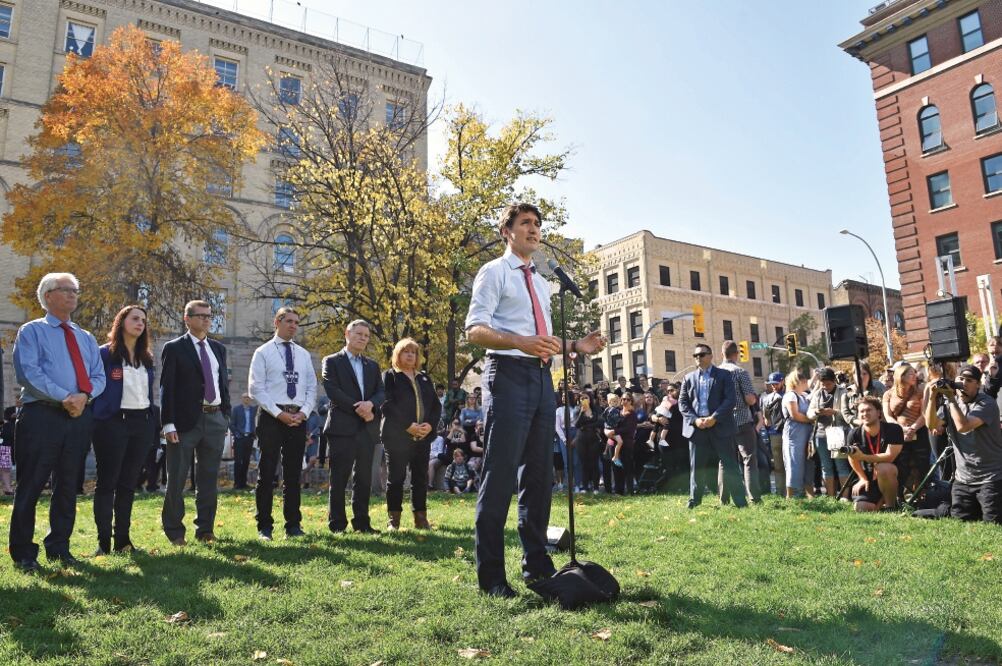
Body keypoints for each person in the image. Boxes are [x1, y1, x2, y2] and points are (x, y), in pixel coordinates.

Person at [464, 202, 604, 598]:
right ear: (506, 231)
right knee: (501, 474)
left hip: (543, 380)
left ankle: (537, 566)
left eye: (537, 224)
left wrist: (577, 345)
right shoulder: (494, 272)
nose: (534, 229)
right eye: (525, 223)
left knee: (540, 476)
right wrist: (519, 342)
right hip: (507, 375)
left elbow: (543, 338)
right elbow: (474, 330)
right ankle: (492, 578)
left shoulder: (542, 282)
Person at [8, 273, 105, 571]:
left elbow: (99, 377)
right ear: (48, 295)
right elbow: (29, 373)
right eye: (66, 290)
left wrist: (83, 397)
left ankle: (59, 547)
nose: (74, 295)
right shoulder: (32, 331)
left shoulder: (85, 337)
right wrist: (66, 396)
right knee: (32, 484)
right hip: (42, 416)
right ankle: (24, 553)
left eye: (75, 290)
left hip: (78, 418)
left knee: (67, 486)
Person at [159, 300, 230, 546]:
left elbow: (222, 384)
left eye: (209, 316)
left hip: (215, 419)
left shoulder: (218, 349)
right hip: (184, 422)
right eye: (200, 316)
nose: (206, 320)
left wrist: (226, 415)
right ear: (187, 319)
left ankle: (205, 529)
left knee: (209, 478)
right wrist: (167, 423)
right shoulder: (175, 347)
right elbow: (166, 388)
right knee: (177, 477)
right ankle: (175, 531)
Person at [90, 305, 157, 555]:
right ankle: (103, 543)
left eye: (143, 320)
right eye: (135, 319)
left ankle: (123, 542)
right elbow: (95, 387)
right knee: (107, 483)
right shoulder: (105, 354)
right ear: (121, 322)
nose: (140, 323)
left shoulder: (146, 357)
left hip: (141, 424)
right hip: (112, 423)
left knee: (129, 484)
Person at [247, 306, 317, 541]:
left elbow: (311, 387)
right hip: (271, 417)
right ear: (277, 322)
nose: (293, 326)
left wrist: (304, 412)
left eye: (297, 322)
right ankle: (264, 526)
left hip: (298, 418)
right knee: (267, 473)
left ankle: (293, 525)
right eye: (289, 321)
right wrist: (279, 414)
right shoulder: (263, 352)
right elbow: (256, 388)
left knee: (293, 474)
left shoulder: (304, 355)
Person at [322, 319, 385, 534]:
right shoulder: (331, 361)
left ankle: (362, 523)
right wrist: (359, 407)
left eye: (366, 336)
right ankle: (337, 525)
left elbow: (381, 392)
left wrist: (371, 405)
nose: (362, 338)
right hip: (342, 427)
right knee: (339, 478)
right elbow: (332, 390)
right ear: (347, 334)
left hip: (367, 428)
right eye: (358, 334)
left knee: (364, 478)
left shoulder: (372, 365)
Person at [381, 337, 441, 531]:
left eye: (413, 352)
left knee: (420, 479)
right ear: (398, 354)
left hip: (422, 437)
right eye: (406, 351)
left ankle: (421, 519)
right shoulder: (390, 376)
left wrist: (430, 426)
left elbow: (435, 406)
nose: (410, 355)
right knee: (396, 479)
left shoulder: (424, 378)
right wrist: (408, 425)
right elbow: (387, 404)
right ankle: (394, 521)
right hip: (397, 437)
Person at [678, 343, 746, 509]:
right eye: (695, 356)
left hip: (720, 426)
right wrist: (695, 420)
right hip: (697, 428)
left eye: (701, 354)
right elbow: (682, 403)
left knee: (730, 465)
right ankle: (694, 501)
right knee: (697, 468)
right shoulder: (688, 378)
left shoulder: (724, 375)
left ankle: (740, 502)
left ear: (710, 356)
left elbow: (730, 400)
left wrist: (714, 417)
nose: (698, 358)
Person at [935, 364, 1002, 523]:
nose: (963, 382)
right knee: (960, 524)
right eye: (961, 378)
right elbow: (933, 426)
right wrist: (929, 397)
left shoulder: (987, 403)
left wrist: (951, 399)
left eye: (969, 380)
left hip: (990, 478)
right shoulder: (950, 403)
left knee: (993, 523)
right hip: (963, 480)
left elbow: (963, 426)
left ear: (978, 384)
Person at [718, 341, 760, 503]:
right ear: (736, 354)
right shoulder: (740, 372)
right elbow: (750, 399)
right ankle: (754, 497)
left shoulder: (715, 373)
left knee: (724, 461)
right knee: (748, 459)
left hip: (722, 423)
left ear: (722, 354)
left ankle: (724, 499)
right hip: (741, 421)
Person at [846, 395, 904, 512]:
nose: (865, 413)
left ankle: (890, 507)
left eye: (869, 410)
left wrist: (863, 457)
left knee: (883, 468)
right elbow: (852, 457)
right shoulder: (854, 434)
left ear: (878, 413)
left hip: (893, 474)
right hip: (869, 476)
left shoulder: (894, 429)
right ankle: (879, 504)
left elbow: (890, 457)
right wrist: (862, 478)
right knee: (861, 508)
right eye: (861, 411)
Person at [883, 363, 930, 497]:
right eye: (910, 374)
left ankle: (922, 496)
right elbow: (888, 416)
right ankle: (902, 497)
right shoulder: (888, 394)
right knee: (902, 466)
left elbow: (925, 413)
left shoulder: (920, 390)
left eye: (914, 373)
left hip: (919, 433)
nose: (914, 376)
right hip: (899, 434)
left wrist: (913, 428)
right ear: (900, 376)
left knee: (921, 466)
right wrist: (900, 429)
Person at [807, 368, 852, 498]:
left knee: (841, 465)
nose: (825, 387)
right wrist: (817, 412)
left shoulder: (843, 392)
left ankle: (844, 497)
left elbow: (848, 413)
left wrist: (835, 412)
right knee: (826, 467)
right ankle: (831, 497)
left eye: (828, 384)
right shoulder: (817, 394)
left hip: (837, 432)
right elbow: (809, 414)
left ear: (834, 381)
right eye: (823, 384)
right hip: (820, 434)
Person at [781, 371, 815, 498]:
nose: (807, 382)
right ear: (798, 382)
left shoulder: (804, 395)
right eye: (804, 380)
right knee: (794, 461)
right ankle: (791, 496)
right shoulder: (790, 395)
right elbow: (794, 414)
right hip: (794, 431)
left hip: (806, 431)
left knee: (807, 462)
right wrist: (811, 420)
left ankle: (808, 494)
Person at [574, 392, 604, 494]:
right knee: (584, 464)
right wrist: (582, 413)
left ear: (590, 399)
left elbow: (600, 422)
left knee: (594, 463)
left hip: (594, 439)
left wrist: (587, 426)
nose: (584, 400)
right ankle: (585, 487)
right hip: (581, 440)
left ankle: (595, 487)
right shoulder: (577, 410)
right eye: (582, 398)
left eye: (586, 398)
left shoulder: (595, 410)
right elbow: (576, 425)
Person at [610, 394, 639, 495]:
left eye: (627, 399)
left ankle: (630, 492)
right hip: (615, 443)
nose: (625, 401)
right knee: (617, 468)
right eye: (623, 399)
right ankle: (619, 492)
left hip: (626, 443)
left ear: (631, 401)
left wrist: (614, 431)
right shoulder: (617, 412)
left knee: (628, 468)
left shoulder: (632, 414)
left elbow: (628, 429)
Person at [229, 395, 257, 490]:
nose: (247, 399)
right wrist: (237, 434)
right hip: (239, 438)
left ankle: (244, 483)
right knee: (238, 461)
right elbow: (231, 424)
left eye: (248, 398)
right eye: (245, 397)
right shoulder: (237, 409)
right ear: (242, 399)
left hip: (249, 438)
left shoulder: (253, 410)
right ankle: (237, 484)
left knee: (246, 461)